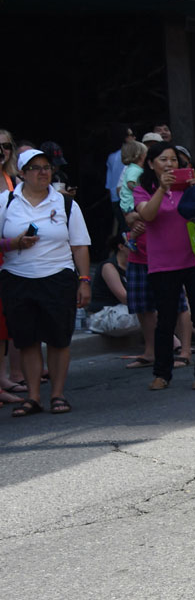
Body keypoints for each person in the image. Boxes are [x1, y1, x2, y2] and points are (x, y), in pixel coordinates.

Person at [0, 149, 92, 415]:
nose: (43, 172)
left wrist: (84, 280)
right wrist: (14, 243)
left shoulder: (65, 203)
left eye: (47, 167)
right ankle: (33, 397)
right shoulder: (7, 202)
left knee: (59, 339)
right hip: (17, 278)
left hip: (57, 276)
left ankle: (57, 394)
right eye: (36, 167)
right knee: (26, 340)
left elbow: (80, 246)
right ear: (21, 173)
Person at [132, 142, 195, 391]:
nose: (169, 164)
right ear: (151, 164)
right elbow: (147, 215)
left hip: (194, 259)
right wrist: (163, 189)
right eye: (163, 160)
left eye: (173, 160)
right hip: (162, 264)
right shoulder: (142, 190)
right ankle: (162, 373)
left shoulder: (187, 186)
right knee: (165, 320)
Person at [85, 235, 140, 338]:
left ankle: (173, 343)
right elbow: (124, 298)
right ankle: (173, 343)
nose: (137, 249)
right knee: (149, 312)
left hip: (125, 311)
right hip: (104, 314)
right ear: (121, 247)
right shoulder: (109, 266)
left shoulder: (134, 268)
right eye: (133, 245)